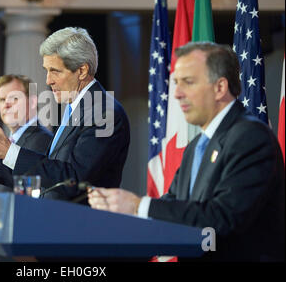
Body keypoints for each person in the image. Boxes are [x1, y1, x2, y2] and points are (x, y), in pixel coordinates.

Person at [88, 42, 285, 261]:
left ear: (220, 87)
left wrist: (137, 205)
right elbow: (174, 205)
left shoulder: (250, 137)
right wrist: (119, 220)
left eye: (188, 83)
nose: (178, 94)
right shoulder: (197, 145)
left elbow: (221, 219)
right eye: (176, 84)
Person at [0, 27, 130, 202]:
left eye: (55, 71)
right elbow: (46, 174)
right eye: (47, 70)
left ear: (82, 70)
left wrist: (9, 151)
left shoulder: (104, 112)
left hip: (79, 225)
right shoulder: (75, 109)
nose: (48, 80)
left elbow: (75, 179)